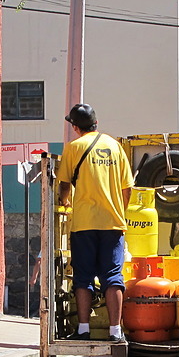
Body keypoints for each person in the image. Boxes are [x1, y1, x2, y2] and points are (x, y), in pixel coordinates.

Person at [56, 103, 134, 342]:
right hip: (112, 223)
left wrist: (65, 202)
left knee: (83, 277)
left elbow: (65, 184)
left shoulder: (73, 147)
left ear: (75, 127)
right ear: (96, 123)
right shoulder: (115, 146)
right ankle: (115, 331)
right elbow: (127, 188)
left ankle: (83, 329)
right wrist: (119, 211)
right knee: (113, 276)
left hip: (84, 223)